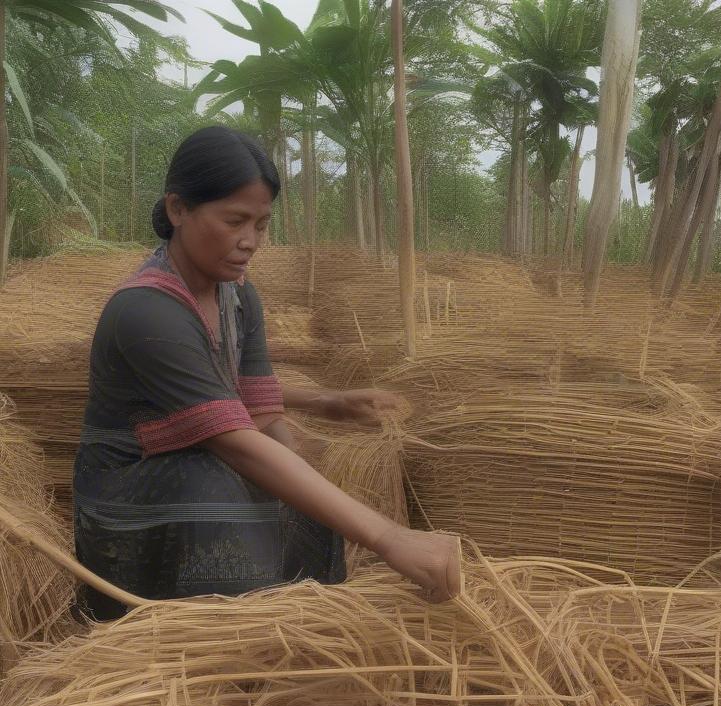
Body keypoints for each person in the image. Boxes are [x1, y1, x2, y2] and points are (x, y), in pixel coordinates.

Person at [73, 126, 461, 619]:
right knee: (214, 479)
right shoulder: (146, 311)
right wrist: (387, 536)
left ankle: (297, 619)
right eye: (235, 220)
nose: (250, 241)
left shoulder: (238, 297)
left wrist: (306, 500)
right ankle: (217, 633)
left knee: (297, 486)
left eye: (261, 224)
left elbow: (262, 415)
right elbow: (234, 439)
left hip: (203, 464)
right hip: (130, 492)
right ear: (177, 209)